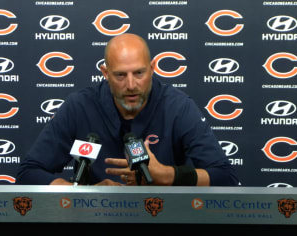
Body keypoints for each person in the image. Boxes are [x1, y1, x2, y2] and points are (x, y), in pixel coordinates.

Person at [16, 33, 239, 186]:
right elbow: (29, 172)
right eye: (120, 75)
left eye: (139, 73)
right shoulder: (80, 106)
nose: (131, 85)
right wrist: (81, 193)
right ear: (105, 73)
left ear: (152, 69)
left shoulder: (178, 107)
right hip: (96, 220)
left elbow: (225, 176)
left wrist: (168, 176)